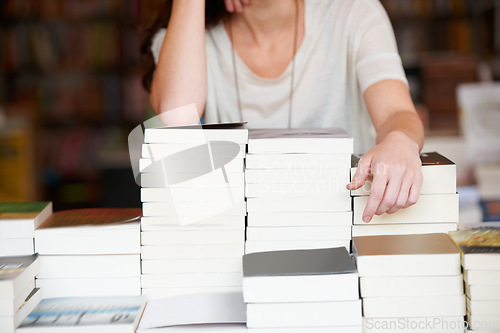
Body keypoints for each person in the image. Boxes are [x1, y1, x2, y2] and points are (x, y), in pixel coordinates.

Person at [141, 0, 424, 223]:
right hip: (240, 236)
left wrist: (399, 140)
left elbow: (395, 112)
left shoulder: (354, 13)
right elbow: (176, 117)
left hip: (348, 227)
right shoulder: (185, 35)